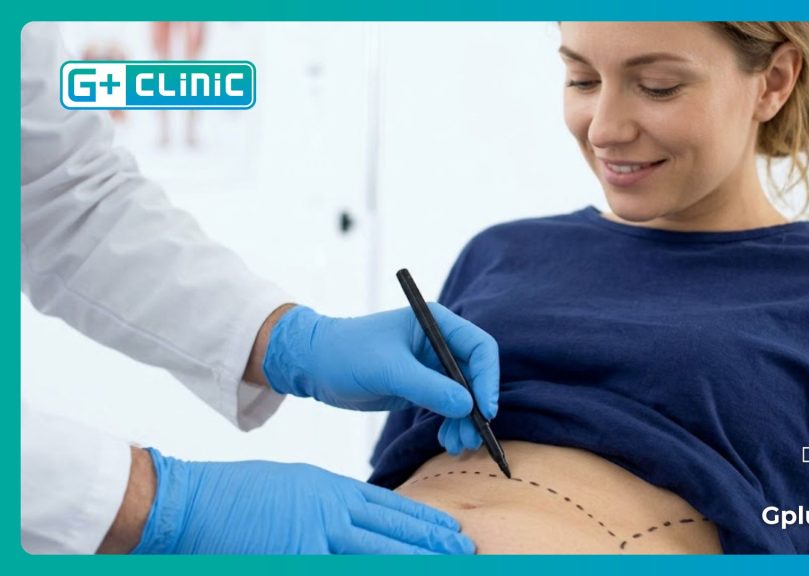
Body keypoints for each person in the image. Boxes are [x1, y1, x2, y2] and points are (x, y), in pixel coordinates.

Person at [367, 21, 809, 554]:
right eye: (581, 79)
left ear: (774, 81)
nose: (603, 129)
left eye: (658, 87)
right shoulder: (498, 252)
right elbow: (388, 468)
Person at [21, 22, 499, 555]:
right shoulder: (499, 253)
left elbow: (66, 195)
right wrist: (154, 502)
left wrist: (289, 341)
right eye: (579, 80)